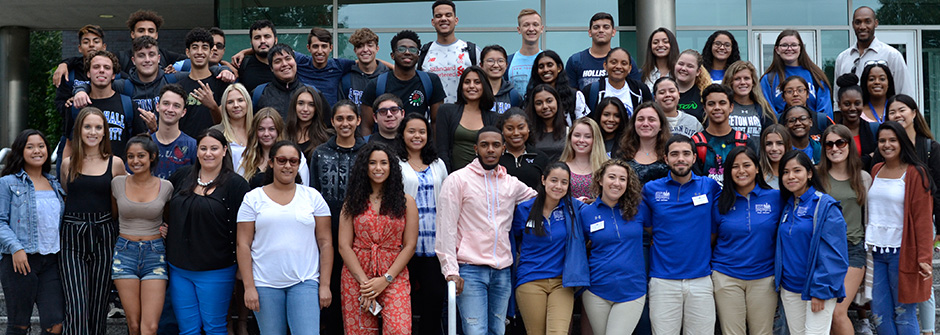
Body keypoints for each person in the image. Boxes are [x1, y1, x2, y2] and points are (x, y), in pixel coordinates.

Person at [435, 126, 538, 335]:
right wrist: (451, 271)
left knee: (497, 331)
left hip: (502, 271)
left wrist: (581, 203)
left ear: (503, 149)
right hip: (469, 270)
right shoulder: (457, 180)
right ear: (476, 149)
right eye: (484, 145)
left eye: (495, 145)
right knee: (475, 331)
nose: (490, 150)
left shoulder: (511, 184)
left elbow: (542, 200)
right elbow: (446, 229)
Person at [236, 141, 333, 335]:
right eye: (281, 160)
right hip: (265, 283)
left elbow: (326, 243)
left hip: (305, 281)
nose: (287, 166)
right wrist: (249, 287)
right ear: (271, 163)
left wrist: (324, 285)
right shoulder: (253, 198)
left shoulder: (312, 197)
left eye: (293, 161)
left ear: (298, 165)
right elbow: (243, 244)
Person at [165, 129, 250, 335]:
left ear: (224, 151)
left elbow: (243, 230)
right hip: (179, 267)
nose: (208, 153)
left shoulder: (236, 185)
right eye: (203, 148)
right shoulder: (182, 176)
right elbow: (165, 206)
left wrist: (241, 266)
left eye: (214, 148)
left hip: (216, 269)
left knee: (214, 328)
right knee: (187, 329)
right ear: (197, 151)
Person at [639, 135, 720, 335]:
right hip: (663, 280)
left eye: (686, 154)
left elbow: (715, 228)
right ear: (666, 159)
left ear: (694, 157)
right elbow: (650, 228)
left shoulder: (709, 186)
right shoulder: (650, 190)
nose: (680, 159)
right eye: (674, 154)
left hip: (700, 278)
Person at [59, 107, 127, 335]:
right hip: (72, 236)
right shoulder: (68, 163)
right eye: (87, 126)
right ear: (79, 130)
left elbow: (119, 202)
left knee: (98, 307)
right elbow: (67, 194)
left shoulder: (115, 163)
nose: (93, 132)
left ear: (105, 132)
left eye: (98, 127)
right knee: (76, 305)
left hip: (104, 233)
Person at [338, 143, 419, 334]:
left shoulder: (406, 201)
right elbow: (344, 245)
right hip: (357, 274)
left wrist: (386, 279)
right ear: (364, 167)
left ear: (391, 167)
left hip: (393, 273)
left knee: (398, 330)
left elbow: (410, 245)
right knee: (360, 331)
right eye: (372, 163)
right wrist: (366, 285)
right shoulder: (352, 201)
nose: (378, 168)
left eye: (384, 163)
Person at [867, 121, 934, 335]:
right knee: (879, 315)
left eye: (892, 140)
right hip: (875, 252)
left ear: (902, 142)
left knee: (904, 314)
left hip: (903, 253)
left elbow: (923, 219)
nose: (887, 145)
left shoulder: (916, 173)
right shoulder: (876, 170)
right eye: (882, 140)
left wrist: (924, 258)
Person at [309, 100, 367, 333]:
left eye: (350, 118)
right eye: (340, 119)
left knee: (356, 282)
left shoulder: (367, 153)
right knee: (330, 283)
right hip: (328, 230)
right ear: (332, 122)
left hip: (360, 230)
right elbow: (314, 193)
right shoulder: (320, 153)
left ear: (358, 121)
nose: (345, 123)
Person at [883, 95, 940, 335]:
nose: (897, 115)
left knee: (923, 279)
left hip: (924, 221)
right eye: (892, 112)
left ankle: (927, 331)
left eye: (902, 110)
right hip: (894, 224)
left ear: (914, 113)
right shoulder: (887, 146)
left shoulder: (929, 147)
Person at [775, 150, 848, 335]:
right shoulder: (787, 204)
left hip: (817, 289)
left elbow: (835, 255)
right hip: (790, 288)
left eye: (796, 170)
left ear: (809, 173)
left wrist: (820, 291)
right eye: (785, 172)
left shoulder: (825, 205)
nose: (790, 176)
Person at [511, 161, 589, 335]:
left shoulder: (573, 209)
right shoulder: (525, 209)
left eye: (564, 182)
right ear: (544, 180)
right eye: (554, 180)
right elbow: (514, 238)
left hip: (561, 282)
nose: (558, 186)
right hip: (530, 280)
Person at [0, 129, 65, 335]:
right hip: (19, 261)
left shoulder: (55, 184)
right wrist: (16, 248)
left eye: (41, 146)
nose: (37, 150)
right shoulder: (8, 183)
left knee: (55, 325)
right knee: (19, 326)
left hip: (51, 262)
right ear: (21, 151)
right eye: (30, 147)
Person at [712, 146, 781, 335]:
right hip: (726, 277)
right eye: (735, 166)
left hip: (764, 278)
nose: (741, 171)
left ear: (757, 168)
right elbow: (711, 239)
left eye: (746, 165)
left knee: (762, 332)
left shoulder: (776, 198)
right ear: (728, 172)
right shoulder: (719, 201)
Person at [111, 135, 173, 335]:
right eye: (130, 156)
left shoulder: (166, 186)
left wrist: (167, 229)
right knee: (134, 324)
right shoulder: (118, 183)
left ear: (152, 157)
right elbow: (113, 214)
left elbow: (170, 217)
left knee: (151, 327)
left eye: (141, 156)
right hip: (124, 252)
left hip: (155, 254)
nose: (135, 161)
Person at [396, 113, 449, 335]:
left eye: (422, 132)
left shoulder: (438, 164)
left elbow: (447, 199)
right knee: (403, 300)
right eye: (411, 131)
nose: (417, 136)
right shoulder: (395, 163)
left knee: (434, 298)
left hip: (434, 245)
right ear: (402, 134)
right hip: (405, 245)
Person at [579, 159, 645, 335]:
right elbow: (578, 248)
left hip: (632, 290)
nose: (617, 183)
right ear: (600, 180)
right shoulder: (586, 213)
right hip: (596, 291)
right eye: (612, 177)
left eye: (622, 179)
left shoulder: (640, 209)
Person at [817, 125, 872, 335]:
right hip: (825, 250)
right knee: (826, 311)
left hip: (853, 249)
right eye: (829, 144)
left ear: (849, 145)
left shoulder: (863, 178)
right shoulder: (817, 177)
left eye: (840, 142)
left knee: (838, 311)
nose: (835, 148)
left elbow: (869, 215)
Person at [65, 50, 147, 161]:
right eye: (96, 67)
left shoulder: (128, 105)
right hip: (84, 174)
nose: (102, 71)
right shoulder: (77, 106)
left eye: (107, 68)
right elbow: (69, 144)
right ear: (88, 73)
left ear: (113, 75)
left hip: (120, 174)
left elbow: (141, 143)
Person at [361, 30, 446, 135]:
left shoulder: (430, 81)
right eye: (401, 49)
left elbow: (436, 123)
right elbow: (366, 126)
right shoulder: (376, 84)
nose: (407, 52)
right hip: (385, 147)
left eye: (412, 49)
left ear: (418, 56)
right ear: (392, 55)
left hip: (417, 144)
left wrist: (436, 150)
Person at [834, 6, 915, 99]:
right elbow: (837, 98)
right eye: (858, 22)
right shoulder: (843, 58)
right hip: (851, 113)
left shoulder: (891, 55)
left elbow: (905, 93)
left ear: (875, 23)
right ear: (852, 24)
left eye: (867, 22)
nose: (862, 27)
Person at [417, 0, 482, 103]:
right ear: (433, 22)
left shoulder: (472, 51)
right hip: (433, 117)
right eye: (438, 16)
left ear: (456, 20)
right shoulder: (424, 52)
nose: (443, 19)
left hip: (465, 115)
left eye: (448, 15)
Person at [691, 84, 757, 184]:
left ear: (731, 107)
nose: (717, 107)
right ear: (704, 108)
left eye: (722, 103)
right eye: (711, 104)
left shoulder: (744, 142)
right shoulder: (696, 143)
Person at [760, 30, 833, 118]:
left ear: (800, 48)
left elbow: (825, 112)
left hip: (813, 130)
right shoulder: (768, 79)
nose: (789, 48)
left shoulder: (816, 76)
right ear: (777, 49)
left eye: (794, 45)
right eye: (784, 45)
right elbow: (768, 112)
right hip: (781, 130)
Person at [437, 66, 498, 172]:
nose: (472, 86)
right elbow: (442, 150)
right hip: (453, 177)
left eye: (477, 82)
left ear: (484, 86)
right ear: (461, 86)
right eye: (467, 82)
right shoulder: (446, 111)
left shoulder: (494, 118)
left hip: (483, 179)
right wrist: (449, 177)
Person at [252, 44, 327, 121]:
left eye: (288, 59)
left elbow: (326, 126)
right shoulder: (259, 93)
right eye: (278, 61)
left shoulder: (312, 92)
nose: (284, 64)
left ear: (295, 62)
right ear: (271, 68)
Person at [566, 12, 641, 90]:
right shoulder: (576, 60)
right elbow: (570, 94)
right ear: (590, 32)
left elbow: (636, 90)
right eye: (596, 27)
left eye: (606, 27)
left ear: (613, 32)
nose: (601, 30)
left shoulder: (624, 60)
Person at [175, 28, 228, 137]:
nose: (199, 52)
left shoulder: (222, 84)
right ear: (187, 52)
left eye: (204, 47)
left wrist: (213, 106)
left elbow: (225, 125)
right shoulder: (178, 88)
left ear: (211, 52)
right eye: (195, 47)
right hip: (187, 149)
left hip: (213, 148)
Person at [240, 108, 309, 188]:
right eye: (261, 129)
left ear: (279, 130)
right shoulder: (246, 158)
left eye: (271, 129)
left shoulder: (295, 156)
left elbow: (304, 188)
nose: (266, 134)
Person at [581, 47, 651, 116]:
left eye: (624, 63)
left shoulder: (640, 90)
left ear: (630, 68)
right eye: (614, 62)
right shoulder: (592, 91)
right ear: (605, 65)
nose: (618, 66)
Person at [526, 50, 589, 124]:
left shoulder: (574, 96)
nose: (545, 70)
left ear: (559, 68)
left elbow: (583, 126)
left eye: (549, 65)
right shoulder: (531, 96)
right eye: (541, 67)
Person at [151, 84, 198, 179]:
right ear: (157, 106)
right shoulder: (145, 143)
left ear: (183, 112)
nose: (170, 109)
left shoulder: (193, 146)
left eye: (176, 106)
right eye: (166, 103)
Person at [721, 61, 776, 139]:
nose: (742, 82)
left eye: (746, 78)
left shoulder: (763, 109)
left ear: (753, 82)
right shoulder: (722, 107)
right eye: (737, 79)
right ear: (730, 82)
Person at [498, 108, 550, 189]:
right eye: (510, 129)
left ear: (528, 128)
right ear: (502, 130)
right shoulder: (496, 157)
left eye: (521, 128)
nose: (516, 133)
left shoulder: (540, 158)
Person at [619, 101, 670, 185]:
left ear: (661, 125)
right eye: (640, 119)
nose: (645, 124)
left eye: (651, 119)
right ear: (634, 124)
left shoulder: (669, 153)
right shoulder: (623, 154)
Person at [339, 28, 392, 107]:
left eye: (370, 45)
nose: (365, 50)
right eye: (360, 46)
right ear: (355, 50)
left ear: (377, 49)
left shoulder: (388, 76)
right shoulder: (346, 79)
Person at [560, 117, 608, 201]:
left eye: (588, 136)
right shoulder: (560, 167)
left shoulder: (606, 167)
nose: (581, 140)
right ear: (570, 137)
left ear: (595, 139)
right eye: (577, 135)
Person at [834, 74, 876, 168]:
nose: (852, 108)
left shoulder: (874, 130)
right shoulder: (832, 133)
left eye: (857, 103)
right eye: (847, 104)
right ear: (839, 105)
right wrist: (869, 157)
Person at [211, 83, 254, 172]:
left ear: (247, 103)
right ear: (225, 106)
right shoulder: (216, 132)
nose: (236, 105)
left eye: (240, 100)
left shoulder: (259, 131)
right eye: (230, 102)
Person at [507, 9, 544, 98]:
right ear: (519, 29)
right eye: (526, 25)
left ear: (541, 29)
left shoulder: (549, 61)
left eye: (535, 25)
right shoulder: (507, 62)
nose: (531, 29)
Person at [526, 84, 568, 161]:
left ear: (557, 102)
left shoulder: (569, 132)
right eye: (539, 103)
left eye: (549, 101)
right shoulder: (527, 133)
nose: (545, 106)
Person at [286, 86, 330, 159]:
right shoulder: (283, 134)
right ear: (294, 106)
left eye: (311, 104)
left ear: (316, 108)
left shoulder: (326, 138)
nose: (305, 109)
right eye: (301, 103)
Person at [235, 20, 277, 93]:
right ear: (251, 42)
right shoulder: (242, 63)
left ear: (275, 40)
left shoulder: (287, 64)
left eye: (267, 37)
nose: (262, 41)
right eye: (257, 38)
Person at [481, 45, 523, 114]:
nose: (496, 65)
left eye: (500, 61)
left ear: (506, 65)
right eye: (490, 61)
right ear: (481, 65)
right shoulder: (477, 92)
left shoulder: (513, 95)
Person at [672, 49, 711, 122]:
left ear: (698, 72)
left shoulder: (704, 96)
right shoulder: (664, 92)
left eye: (690, 66)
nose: (683, 68)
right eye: (681, 64)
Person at [759, 124, 792, 189]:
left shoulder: (796, 174)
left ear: (787, 145)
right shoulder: (757, 175)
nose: (774, 148)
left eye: (779, 143)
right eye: (769, 144)